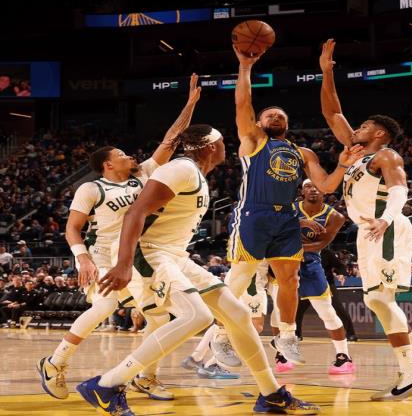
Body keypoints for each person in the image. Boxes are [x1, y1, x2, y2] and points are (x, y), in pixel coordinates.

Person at [76, 125, 320, 415]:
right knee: (197, 316)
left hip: (174, 255)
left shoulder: (194, 173)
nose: (226, 147)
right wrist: (124, 264)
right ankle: (108, 384)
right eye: (222, 142)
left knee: (238, 314)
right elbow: (135, 212)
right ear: (210, 147)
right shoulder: (181, 169)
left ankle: (271, 394)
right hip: (150, 254)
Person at [37, 74, 202, 401]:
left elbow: (170, 141)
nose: (130, 156)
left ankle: (146, 377)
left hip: (135, 256)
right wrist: (83, 259)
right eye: (123, 154)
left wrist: (190, 103)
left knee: (159, 317)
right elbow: (72, 228)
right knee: (106, 305)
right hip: (101, 255)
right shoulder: (91, 188)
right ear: (108, 164)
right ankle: (55, 363)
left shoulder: (143, 174)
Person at [319, 38, 412, 401]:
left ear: (379, 134)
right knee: (376, 300)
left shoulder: (386, 155)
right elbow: (332, 114)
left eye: (363, 126)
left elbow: (400, 190)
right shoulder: (356, 154)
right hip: (368, 230)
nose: (355, 129)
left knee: (380, 299)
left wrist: (387, 219)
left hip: (384, 226)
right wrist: (326, 72)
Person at [220, 45, 364, 366]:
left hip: (286, 216)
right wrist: (245, 66)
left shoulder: (303, 153)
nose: (275, 116)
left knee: (291, 280)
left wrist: (343, 164)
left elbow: (327, 186)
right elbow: (242, 103)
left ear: (287, 124)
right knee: (239, 279)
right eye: (269, 114)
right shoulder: (254, 141)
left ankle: (287, 336)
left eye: (280, 115)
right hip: (254, 213)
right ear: (258, 123)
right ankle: (220, 336)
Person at [291, 179, 356, 374]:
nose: (313, 189)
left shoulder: (335, 216)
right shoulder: (290, 209)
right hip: (283, 264)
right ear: (302, 191)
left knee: (327, 312)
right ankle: (282, 355)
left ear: (324, 192)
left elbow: (320, 245)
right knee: (278, 314)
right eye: (308, 186)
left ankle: (344, 356)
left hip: (309, 265)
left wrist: (292, 248)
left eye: (317, 187)